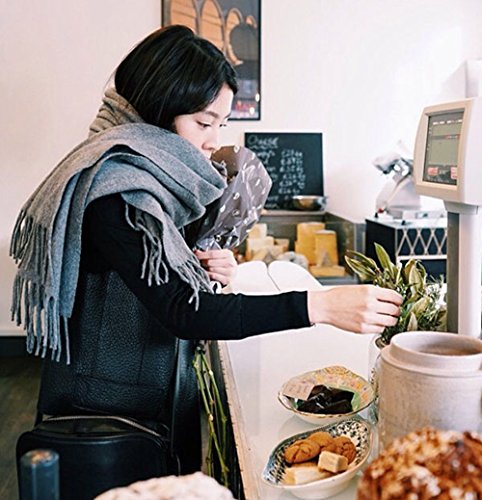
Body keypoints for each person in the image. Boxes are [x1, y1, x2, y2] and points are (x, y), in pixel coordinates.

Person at [10, 25, 402, 476]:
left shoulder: (146, 177)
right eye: (203, 122)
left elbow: (155, 274)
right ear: (158, 109)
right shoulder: (116, 188)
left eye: (221, 124)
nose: (214, 140)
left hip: (142, 402)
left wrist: (204, 267)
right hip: (105, 416)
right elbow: (183, 311)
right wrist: (321, 306)